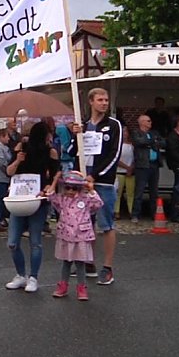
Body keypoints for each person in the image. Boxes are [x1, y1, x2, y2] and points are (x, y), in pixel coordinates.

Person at [72, 87, 122, 286]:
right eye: (100, 100)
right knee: (86, 224)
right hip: (83, 183)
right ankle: (88, 262)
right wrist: (75, 136)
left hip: (102, 183)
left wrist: (95, 175)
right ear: (91, 101)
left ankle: (107, 267)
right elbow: (74, 152)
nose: (104, 103)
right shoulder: (83, 125)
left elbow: (114, 155)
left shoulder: (113, 125)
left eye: (106, 100)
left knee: (106, 224)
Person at [4, 123, 60, 293]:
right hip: (19, 197)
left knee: (36, 242)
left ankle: (33, 277)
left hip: (37, 197)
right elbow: (9, 171)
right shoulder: (21, 148)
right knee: (12, 242)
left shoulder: (51, 151)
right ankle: (21, 275)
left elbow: (56, 172)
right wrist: (18, 159)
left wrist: (50, 187)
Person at [49, 171, 103, 301]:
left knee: (80, 263)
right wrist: (55, 180)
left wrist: (91, 190)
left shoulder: (85, 199)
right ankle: (63, 285)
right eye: (67, 187)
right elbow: (50, 196)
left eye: (74, 188)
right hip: (66, 236)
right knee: (66, 262)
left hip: (81, 237)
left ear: (79, 188)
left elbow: (98, 204)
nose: (70, 191)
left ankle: (81, 287)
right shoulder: (62, 199)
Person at [131, 114, 164, 222]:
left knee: (154, 192)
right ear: (142, 122)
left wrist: (151, 142)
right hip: (142, 165)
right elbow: (139, 142)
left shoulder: (154, 133)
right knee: (139, 191)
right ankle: (135, 214)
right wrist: (152, 142)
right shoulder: (136, 132)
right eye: (148, 121)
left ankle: (154, 214)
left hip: (154, 165)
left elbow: (163, 142)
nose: (151, 123)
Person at [114, 127, 135, 220]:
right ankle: (116, 211)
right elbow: (116, 159)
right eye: (123, 132)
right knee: (118, 193)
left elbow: (135, 158)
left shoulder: (132, 145)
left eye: (126, 131)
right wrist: (127, 167)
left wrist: (131, 168)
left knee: (131, 193)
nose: (125, 133)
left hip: (130, 172)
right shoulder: (117, 145)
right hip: (120, 171)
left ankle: (131, 211)